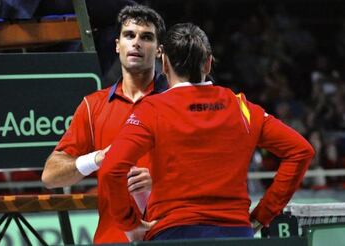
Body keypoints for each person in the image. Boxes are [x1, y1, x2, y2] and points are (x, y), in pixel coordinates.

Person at [98, 23, 315, 241]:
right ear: (209, 63)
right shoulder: (242, 108)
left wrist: (130, 223)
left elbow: (112, 169)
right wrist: (262, 216)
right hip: (237, 233)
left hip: (173, 232)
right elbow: (301, 151)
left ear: (164, 63)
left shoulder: (152, 109)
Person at [41, 5, 167, 244]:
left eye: (146, 37)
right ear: (117, 44)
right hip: (111, 239)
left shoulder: (177, 102)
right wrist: (97, 159)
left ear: (160, 50)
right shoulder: (93, 105)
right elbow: (50, 175)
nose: (136, 43)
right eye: (129, 35)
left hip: (170, 236)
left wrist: (161, 181)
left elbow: (212, 171)